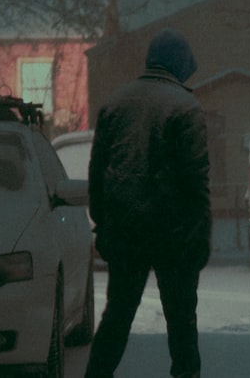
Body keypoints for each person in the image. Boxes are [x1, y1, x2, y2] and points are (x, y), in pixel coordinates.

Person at [84, 28, 211, 378]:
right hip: (176, 235)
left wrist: (104, 223)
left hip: (126, 230)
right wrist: (200, 237)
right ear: (181, 65)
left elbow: (98, 173)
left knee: (118, 316)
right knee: (182, 323)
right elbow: (195, 182)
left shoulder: (115, 104)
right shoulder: (186, 108)